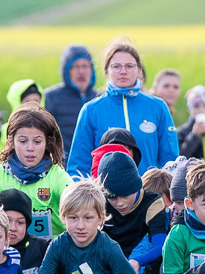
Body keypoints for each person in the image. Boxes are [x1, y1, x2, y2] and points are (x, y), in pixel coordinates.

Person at [65, 39, 176, 177]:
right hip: (105, 190)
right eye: (116, 66)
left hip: (150, 189)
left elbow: (171, 162)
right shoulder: (91, 110)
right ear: (106, 70)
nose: (123, 71)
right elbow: (78, 166)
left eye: (129, 66)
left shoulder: (158, 107)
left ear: (138, 69)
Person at [0, 107, 69, 239]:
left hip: (51, 249)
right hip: (8, 248)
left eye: (37, 142)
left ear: (47, 142)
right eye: (23, 141)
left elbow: (80, 205)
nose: (30, 148)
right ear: (12, 142)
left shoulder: (57, 176)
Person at [43, 45, 100, 141]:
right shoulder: (50, 98)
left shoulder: (100, 98)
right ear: (66, 70)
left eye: (85, 66)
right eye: (76, 66)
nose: (81, 72)